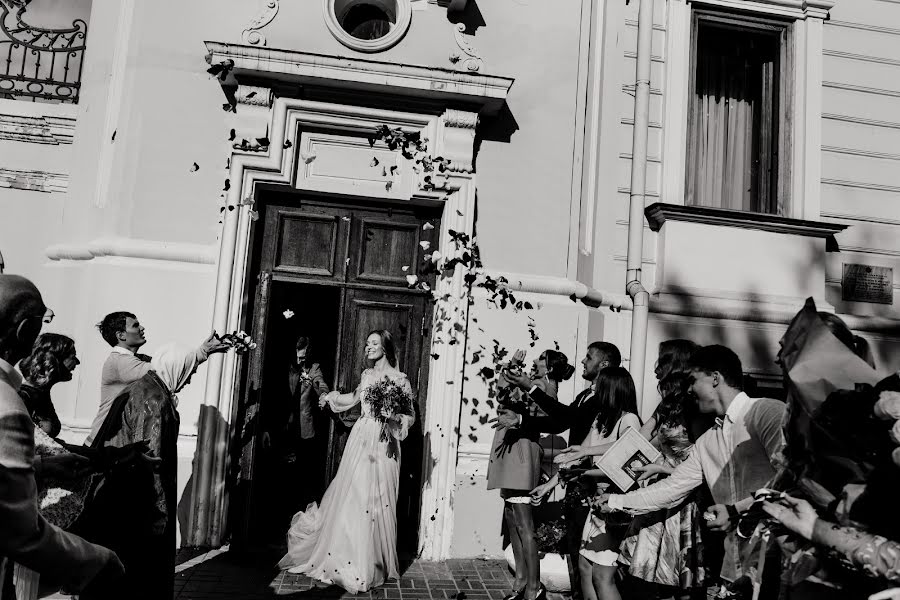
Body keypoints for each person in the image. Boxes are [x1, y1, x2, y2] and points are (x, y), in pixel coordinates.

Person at [598, 345, 785, 598]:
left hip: (776, 562)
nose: (687, 389)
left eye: (693, 380)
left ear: (715, 378)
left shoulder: (766, 413)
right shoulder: (708, 441)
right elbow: (671, 488)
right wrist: (616, 501)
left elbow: (788, 481)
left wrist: (736, 511)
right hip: (734, 567)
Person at [0, 274, 123, 599]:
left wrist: (43, 467)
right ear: (26, 331)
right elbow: (17, 530)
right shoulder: (8, 402)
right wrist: (96, 561)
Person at [278, 330, 415, 593]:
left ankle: (373, 564)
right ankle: (352, 562)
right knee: (356, 497)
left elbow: (409, 416)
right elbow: (352, 400)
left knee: (380, 498)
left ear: (385, 347)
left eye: (373, 343)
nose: (367, 347)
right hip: (361, 441)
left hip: (385, 444)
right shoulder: (367, 376)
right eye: (366, 344)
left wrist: (394, 419)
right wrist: (329, 397)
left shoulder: (401, 381)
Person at [496, 341, 621, 600]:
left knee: (589, 562)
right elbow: (561, 420)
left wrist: (528, 390)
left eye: (589, 357)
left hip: (590, 480)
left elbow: (568, 423)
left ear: (604, 364)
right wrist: (522, 411)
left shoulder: (603, 399)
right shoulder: (586, 395)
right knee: (579, 555)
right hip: (574, 478)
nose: (583, 362)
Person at [79, 344, 202, 600]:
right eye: (188, 372)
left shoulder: (146, 387)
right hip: (137, 496)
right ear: (176, 369)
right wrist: (159, 510)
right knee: (141, 569)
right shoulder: (154, 399)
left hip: (123, 488)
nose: (189, 379)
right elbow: (151, 458)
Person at [534, 367, 641, 600]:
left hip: (615, 507)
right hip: (596, 504)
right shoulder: (600, 419)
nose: (593, 388)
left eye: (598, 385)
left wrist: (585, 454)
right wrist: (551, 483)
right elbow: (579, 455)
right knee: (585, 568)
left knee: (603, 576)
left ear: (611, 389)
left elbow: (628, 453)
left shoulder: (629, 419)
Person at [489, 349, 575, 600]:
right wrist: (512, 367)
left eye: (540, 359)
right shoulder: (533, 382)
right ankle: (521, 578)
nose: (535, 361)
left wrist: (516, 385)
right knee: (511, 515)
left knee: (524, 522)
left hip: (522, 451)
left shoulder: (546, 389)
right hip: (511, 447)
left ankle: (533, 586)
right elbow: (502, 394)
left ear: (548, 367)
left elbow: (539, 415)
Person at [84, 311, 229, 445]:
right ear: (121, 335)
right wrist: (202, 352)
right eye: (135, 326)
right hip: (103, 441)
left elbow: (172, 368)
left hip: (114, 440)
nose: (142, 328)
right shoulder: (120, 362)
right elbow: (165, 370)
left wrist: (202, 352)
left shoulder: (136, 359)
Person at [262, 335, 330, 513]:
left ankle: (297, 511)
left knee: (301, 473)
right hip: (281, 426)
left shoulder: (313, 368)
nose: (301, 361)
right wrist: (267, 428)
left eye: (304, 357)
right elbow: (271, 397)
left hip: (304, 428)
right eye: (299, 357)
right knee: (279, 471)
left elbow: (320, 383)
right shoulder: (281, 367)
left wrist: (324, 394)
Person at [17, 333, 80, 438]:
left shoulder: (43, 393)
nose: (77, 362)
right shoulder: (23, 397)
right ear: (54, 360)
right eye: (73, 357)